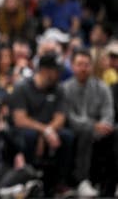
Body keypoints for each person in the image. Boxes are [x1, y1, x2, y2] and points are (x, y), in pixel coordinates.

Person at [8, 52, 74, 196]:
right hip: (27, 129)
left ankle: (60, 182)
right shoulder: (22, 87)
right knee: (28, 136)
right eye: (56, 71)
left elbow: (60, 117)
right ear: (45, 71)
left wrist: (48, 131)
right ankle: (28, 181)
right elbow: (20, 119)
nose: (59, 75)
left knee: (67, 136)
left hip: (50, 130)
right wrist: (44, 131)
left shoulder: (59, 89)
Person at [62, 48, 116, 197]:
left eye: (86, 65)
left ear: (91, 66)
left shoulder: (102, 87)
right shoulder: (65, 89)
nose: (83, 68)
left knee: (115, 133)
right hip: (77, 130)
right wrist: (92, 125)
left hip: (100, 130)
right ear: (72, 66)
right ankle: (82, 181)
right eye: (79, 64)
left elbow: (108, 112)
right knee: (84, 132)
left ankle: (112, 184)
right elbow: (69, 117)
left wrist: (104, 125)